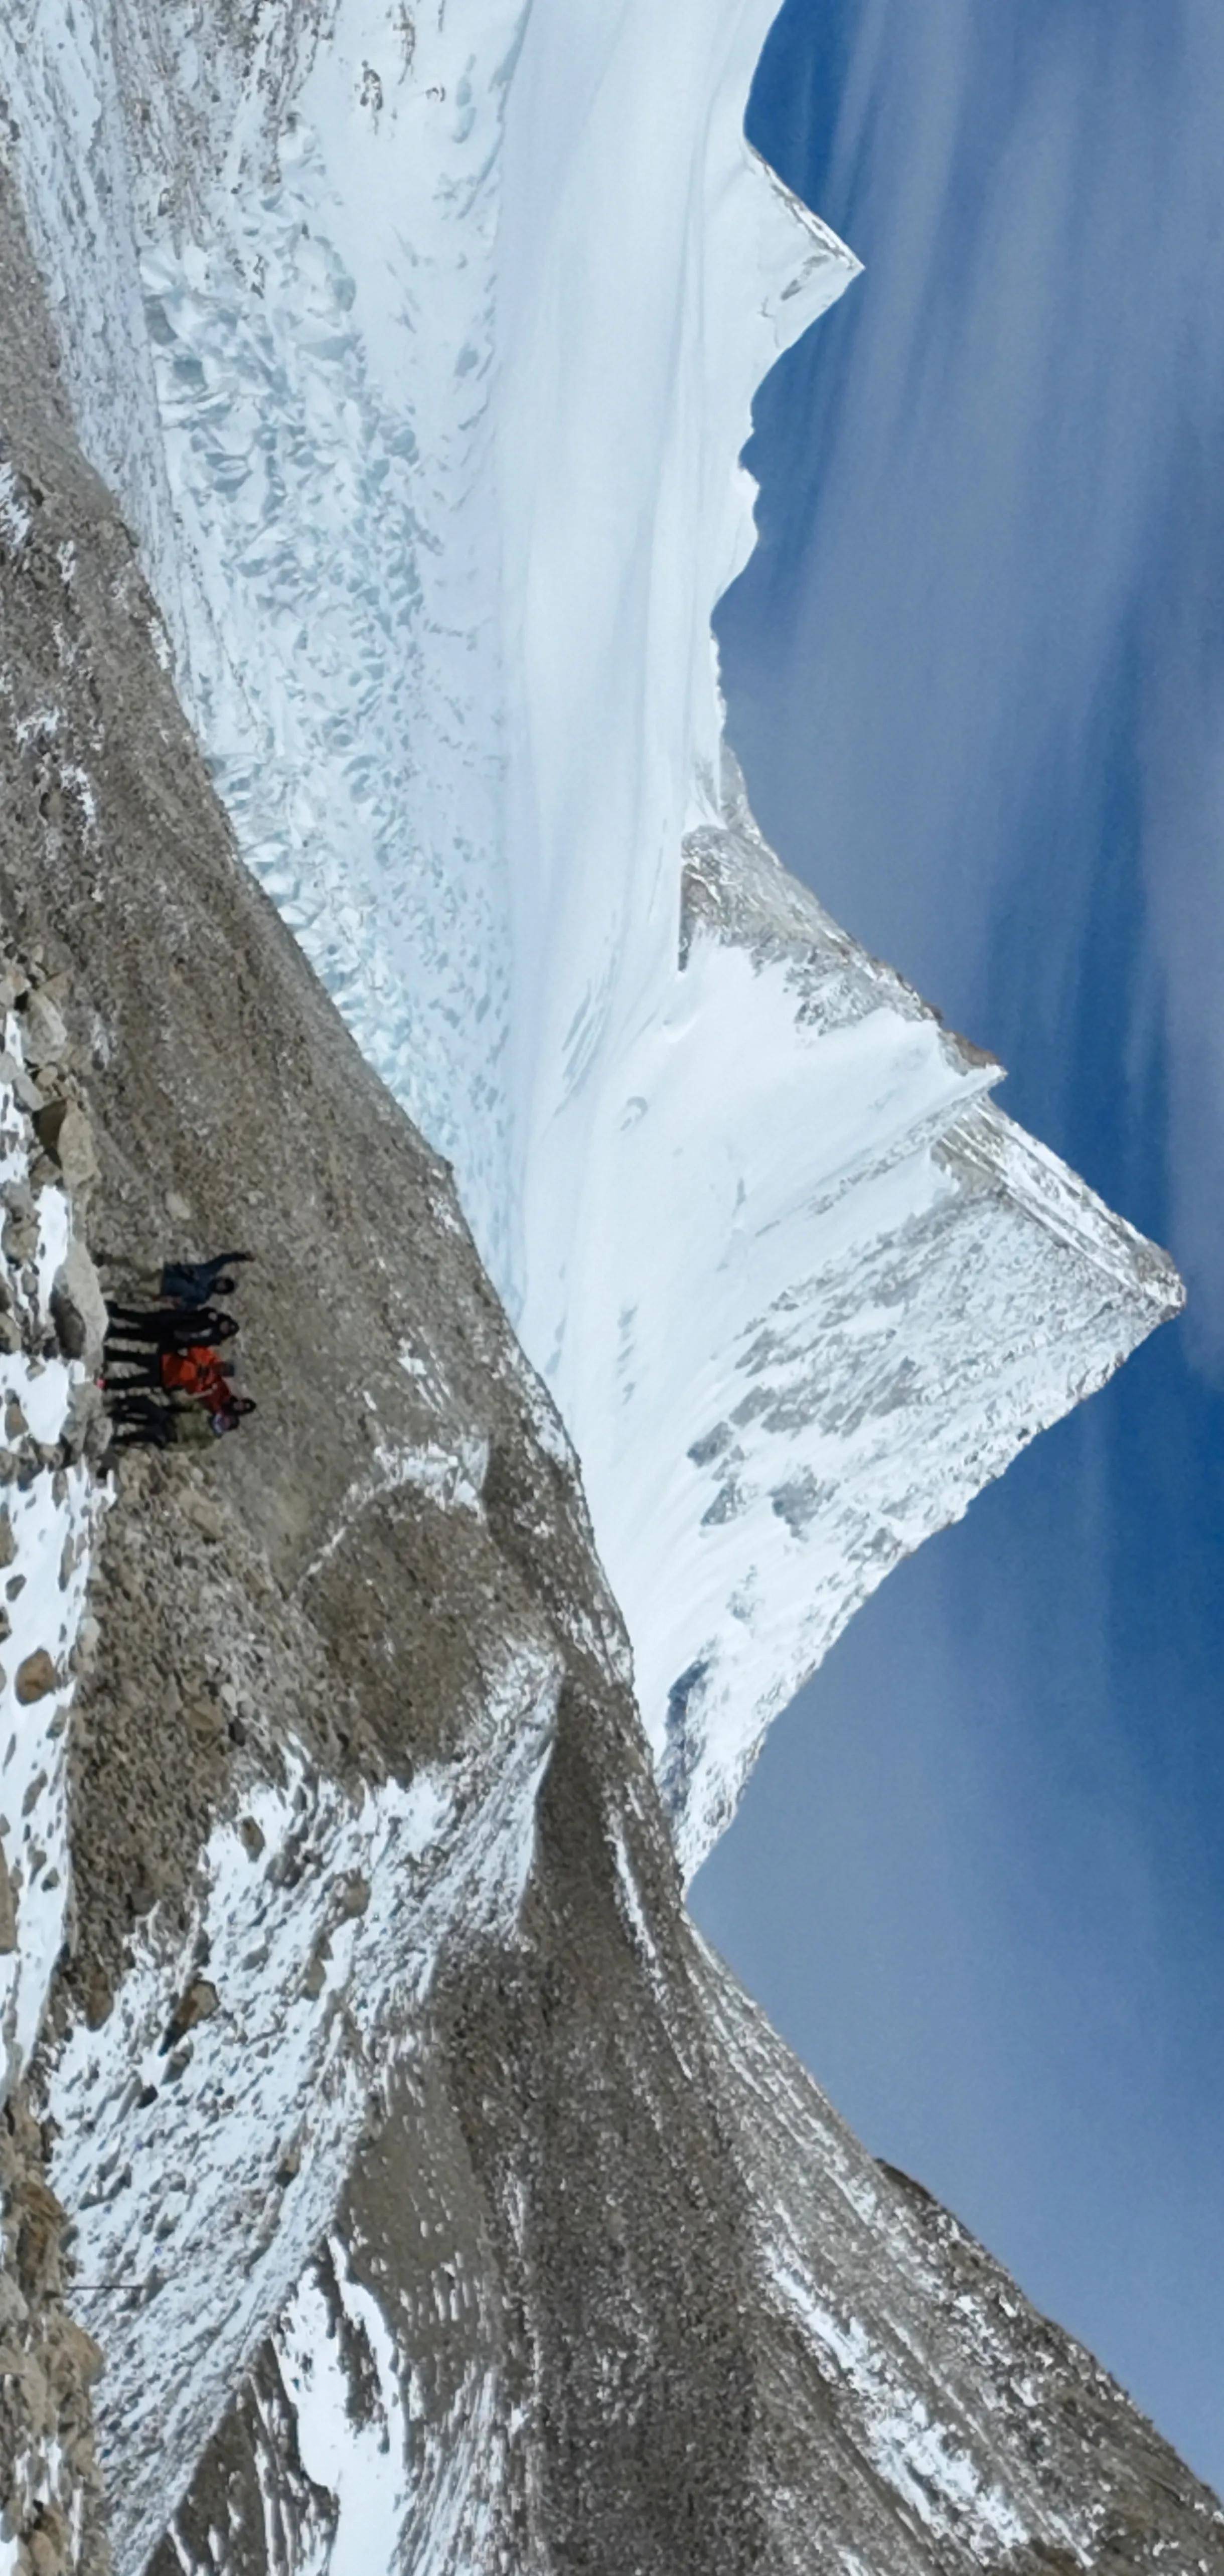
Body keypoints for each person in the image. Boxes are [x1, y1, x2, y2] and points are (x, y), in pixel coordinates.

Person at [104, 1304, 240, 1352]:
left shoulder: (214, 1339)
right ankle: (117, 1312)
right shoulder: (213, 1317)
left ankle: (115, 1332)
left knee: (142, 1335)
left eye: (227, 1330)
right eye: (227, 1325)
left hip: (173, 1338)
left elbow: (197, 1344)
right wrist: (211, 1316)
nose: (225, 1327)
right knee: (142, 1318)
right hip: (174, 1321)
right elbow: (199, 1313)